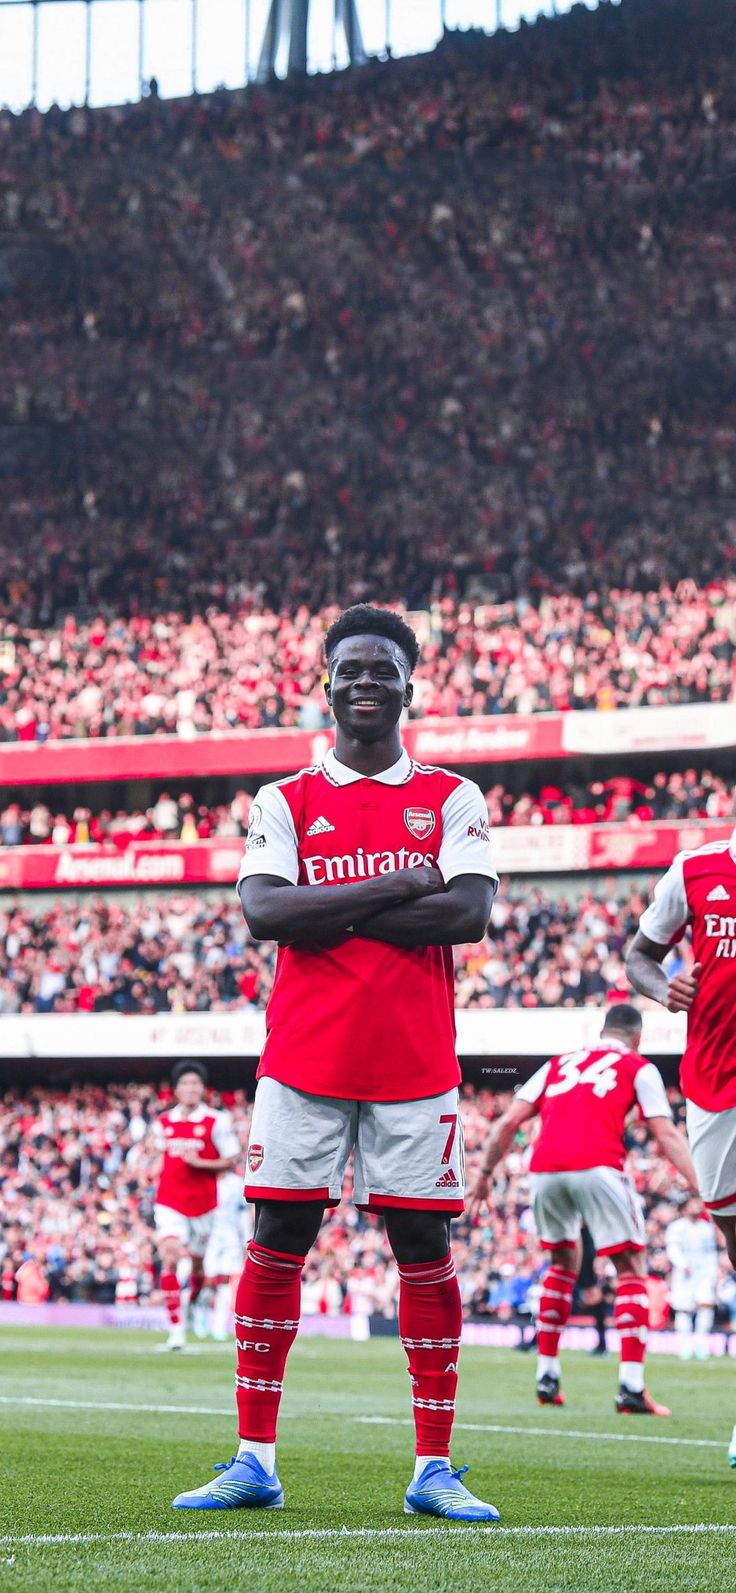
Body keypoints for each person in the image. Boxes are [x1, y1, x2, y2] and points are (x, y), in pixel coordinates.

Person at [172, 603, 500, 1521]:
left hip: (416, 1061)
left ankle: (432, 1468)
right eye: (348, 667)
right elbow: (268, 916)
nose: (365, 680)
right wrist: (400, 881)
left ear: (408, 683)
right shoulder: (284, 799)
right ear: (326, 682)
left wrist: (332, 906)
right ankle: (254, 1458)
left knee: (424, 1249)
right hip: (303, 1061)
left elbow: (467, 915)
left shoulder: (453, 796)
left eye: (381, 668)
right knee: (277, 1238)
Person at [468, 1004, 698, 1415]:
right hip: (598, 1164)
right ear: (637, 1038)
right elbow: (665, 1134)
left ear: (601, 1030)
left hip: (544, 1170)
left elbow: (508, 1123)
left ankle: (547, 1375)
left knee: (563, 1263)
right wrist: (705, 1188)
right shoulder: (636, 1066)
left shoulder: (559, 1063)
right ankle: (630, 1386)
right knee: (631, 1268)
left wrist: (484, 1174)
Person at [625, 835, 736, 1458]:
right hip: (714, 1081)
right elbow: (639, 957)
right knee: (732, 1232)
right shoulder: (696, 869)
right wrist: (662, 986)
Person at [152, 1062, 240, 1351]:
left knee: (199, 1266)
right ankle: (176, 1330)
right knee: (170, 1254)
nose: (190, 1088)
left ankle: (194, 1304)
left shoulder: (217, 1121)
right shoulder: (163, 1122)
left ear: (203, 1089)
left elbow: (232, 1159)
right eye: (185, 1083)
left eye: (195, 1083)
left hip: (204, 1204)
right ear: (176, 1089)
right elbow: (158, 1155)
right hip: (169, 1200)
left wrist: (200, 1163)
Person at [665, 1196, 719, 1361]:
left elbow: (711, 1253)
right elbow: (672, 1249)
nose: (697, 1206)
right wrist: (682, 1264)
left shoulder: (706, 1228)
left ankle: (701, 1344)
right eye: (693, 1203)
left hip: (703, 1273)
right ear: (684, 1208)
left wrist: (713, 1272)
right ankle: (685, 1346)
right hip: (684, 1274)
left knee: (705, 1305)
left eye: (698, 1203)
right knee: (684, 1309)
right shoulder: (676, 1228)